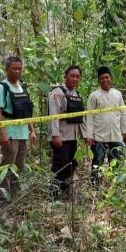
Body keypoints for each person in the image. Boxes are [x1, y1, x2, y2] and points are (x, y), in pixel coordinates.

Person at [0, 56, 37, 196]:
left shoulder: (22, 87)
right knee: (7, 165)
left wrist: (32, 130)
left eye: (19, 68)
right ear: (6, 70)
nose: (17, 71)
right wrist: (2, 134)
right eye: (14, 68)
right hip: (10, 133)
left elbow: (26, 112)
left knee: (19, 165)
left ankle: (15, 192)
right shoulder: (2, 87)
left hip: (23, 132)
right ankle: (3, 196)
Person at [84, 66, 126, 184]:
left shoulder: (118, 94)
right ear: (98, 81)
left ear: (111, 78)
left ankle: (115, 187)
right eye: (102, 78)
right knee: (97, 163)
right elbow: (89, 117)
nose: (105, 80)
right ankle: (96, 187)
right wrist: (89, 135)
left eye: (107, 77)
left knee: (116, 162)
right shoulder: (93, 96)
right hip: (99, 136)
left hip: (116, 135)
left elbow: (123, 113)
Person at [49, 65, 88, 199]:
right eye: (72, 76)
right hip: (61, 137)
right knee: (60, 166)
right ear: (65, 77)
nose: (75, 79)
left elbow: (80, 117)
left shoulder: (76, 94)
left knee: (71, 165)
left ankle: (65, 192)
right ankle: (54, 195)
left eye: (77, 77)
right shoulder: (57, 93)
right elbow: (53, 116)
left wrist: (85, 135)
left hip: (73, 137)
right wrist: (55, 135)